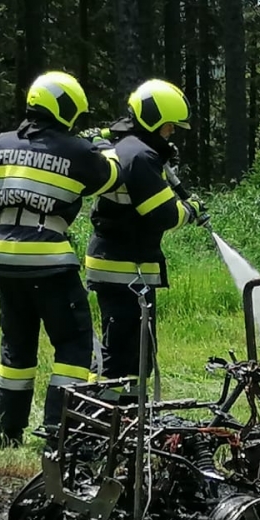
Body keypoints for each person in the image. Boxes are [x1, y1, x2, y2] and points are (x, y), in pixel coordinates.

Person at [0, 71, 120, 447]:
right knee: (73, 345)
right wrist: (99, 147)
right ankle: (58, 434)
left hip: (3, 259)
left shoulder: (1, 144)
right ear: (66, 110)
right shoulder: (77, 150)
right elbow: (111, 177)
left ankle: (7, 434)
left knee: (17, 347)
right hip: (49, 260)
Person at [85, 79, 207, 386]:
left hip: (120, 264)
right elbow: (163, 215)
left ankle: (123, 418)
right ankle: (100, 417)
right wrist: (190, 209)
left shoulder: (127, 147)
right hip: (125, 269)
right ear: (154, 122)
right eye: (169, 127)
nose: (172, 134)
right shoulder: (139, 157)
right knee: (122, 356)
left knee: (133, 354)